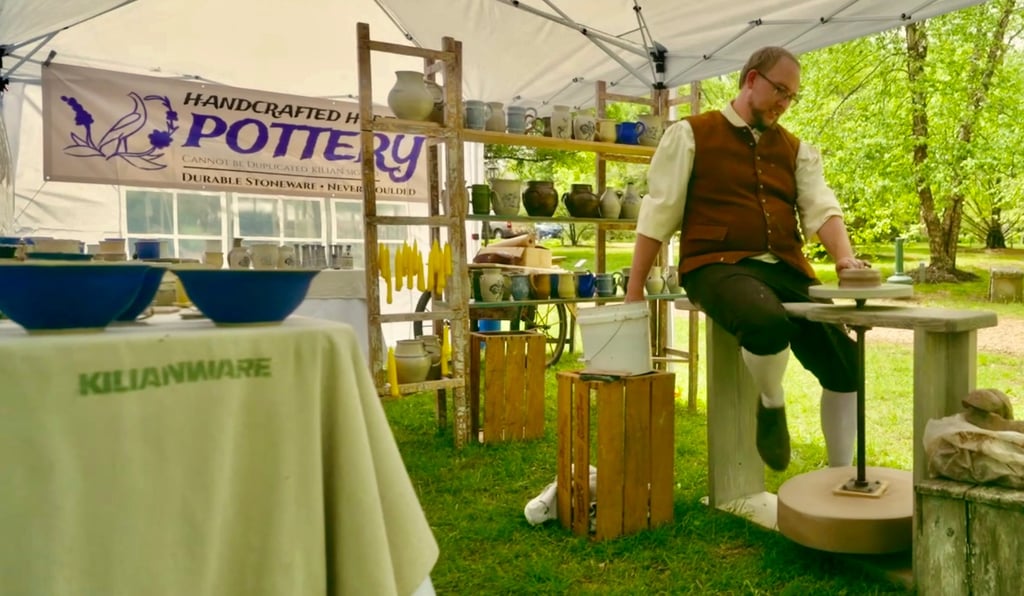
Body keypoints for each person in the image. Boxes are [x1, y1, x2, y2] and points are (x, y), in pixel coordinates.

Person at [625, 46, 868, 472]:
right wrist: (634, 291)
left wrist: (844, 257)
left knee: (847, 364)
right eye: (780, 90)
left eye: (792, 96)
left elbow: (821, 206)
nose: (784, 103)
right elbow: (658, 213)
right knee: (765, 320)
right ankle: (771, 402)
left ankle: (841, 475)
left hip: (784, 268)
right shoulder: (691, 134)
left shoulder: (795, 149)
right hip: (715, 264)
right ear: (752, 79)